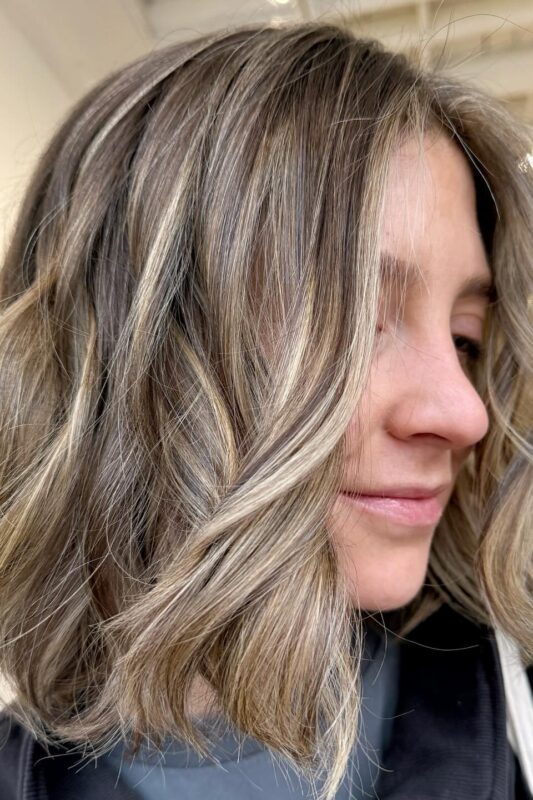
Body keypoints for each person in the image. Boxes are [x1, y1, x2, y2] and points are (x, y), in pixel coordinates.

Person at [0, 21, 531, 800]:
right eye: (348, 323)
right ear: (131, 351)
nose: (463, 413)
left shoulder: (511, 692)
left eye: (464, 338)